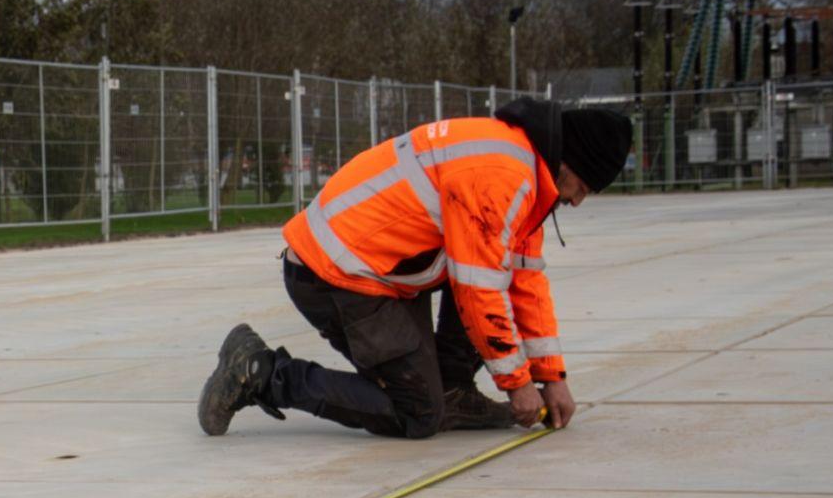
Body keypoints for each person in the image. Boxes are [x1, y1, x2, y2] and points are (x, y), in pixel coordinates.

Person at [197, 97, 633, 440]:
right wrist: (517, 383)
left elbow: (523, 282)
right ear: (568, 162)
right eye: (583, 188)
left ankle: (453, 390)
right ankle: (260, 373)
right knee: (419, 413)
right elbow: (479, 289)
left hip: (376, 273)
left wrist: (551, 377)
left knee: (484, 279)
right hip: (334, 275)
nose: (577, 201)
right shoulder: (500, 174)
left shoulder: (523, 167)